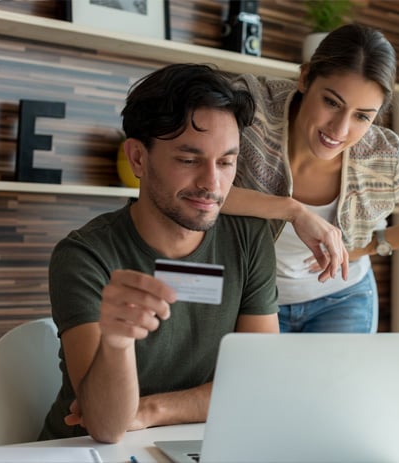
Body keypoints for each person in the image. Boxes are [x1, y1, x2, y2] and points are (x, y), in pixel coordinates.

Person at [39, 63, 280, 443]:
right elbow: (106, 425)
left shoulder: (249, 237)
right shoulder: (86, 255)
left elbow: (259, 384)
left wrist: (152, 409)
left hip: (200, 443)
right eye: (188, 160)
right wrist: (116, 343)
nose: (211, 184)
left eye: (226, 162)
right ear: (137, 158)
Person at [220, 23, 399, 333]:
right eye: (331, 102)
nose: (340, 129)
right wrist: (292, 210)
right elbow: (189, 186)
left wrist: (371, 246)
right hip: (251, 297)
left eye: (362, 116)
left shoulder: (382, 159)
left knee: (342, 385)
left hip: (343, 299)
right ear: (305, 78)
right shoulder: (250, 111)